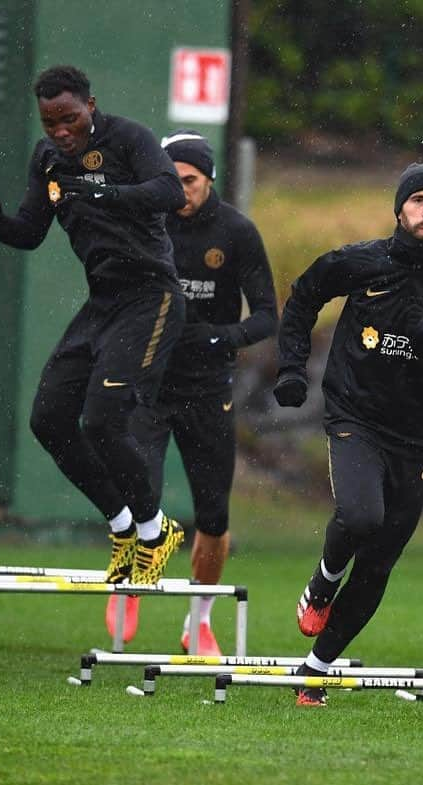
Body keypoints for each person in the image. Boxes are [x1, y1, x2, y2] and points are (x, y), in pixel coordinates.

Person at [274, 162, 423, 706]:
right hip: (356, 416)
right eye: (418, 200)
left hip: (418, 438)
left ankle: (317, 672)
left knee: (378, 564)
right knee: (360, 516)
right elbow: (303, 296)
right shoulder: (363, 261)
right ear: (399, 208)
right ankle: (324, 580)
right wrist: (291, 369)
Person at [0, 65, 186, 584]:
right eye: (50, 124)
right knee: (48, 420)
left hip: (150, 295)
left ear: (91, 105)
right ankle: (123, 524)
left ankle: (157, 533)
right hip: (101, 305)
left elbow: (171, 192)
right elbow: (29, 232)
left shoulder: (128, 139)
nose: (61, 133)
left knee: (102, 420)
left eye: (69, 119)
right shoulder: (47, 160)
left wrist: (107, 194)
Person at [104, 132, 278, 651]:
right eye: (171, 182)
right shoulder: (144, 223)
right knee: (140, 493)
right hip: (149, 384)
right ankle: (132, 579)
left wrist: (222, 337)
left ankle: (198, 622)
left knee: (214, 513)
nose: (180, 193)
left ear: (209, 180)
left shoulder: (237, 233)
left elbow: (268, 314)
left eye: (191, 182)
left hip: (207, 389)